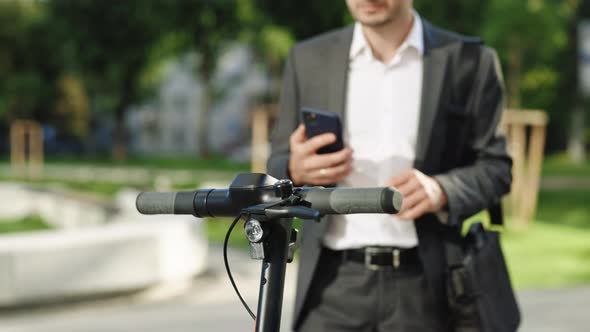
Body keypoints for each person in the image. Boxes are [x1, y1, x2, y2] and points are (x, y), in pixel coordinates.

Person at [267, 0, 512, 331]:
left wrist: (442, 190)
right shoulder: (308, 59)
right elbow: (278, 163)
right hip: (330, 287)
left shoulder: (471, 62)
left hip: (427, 286)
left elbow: (497, 168)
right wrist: (295, 169)